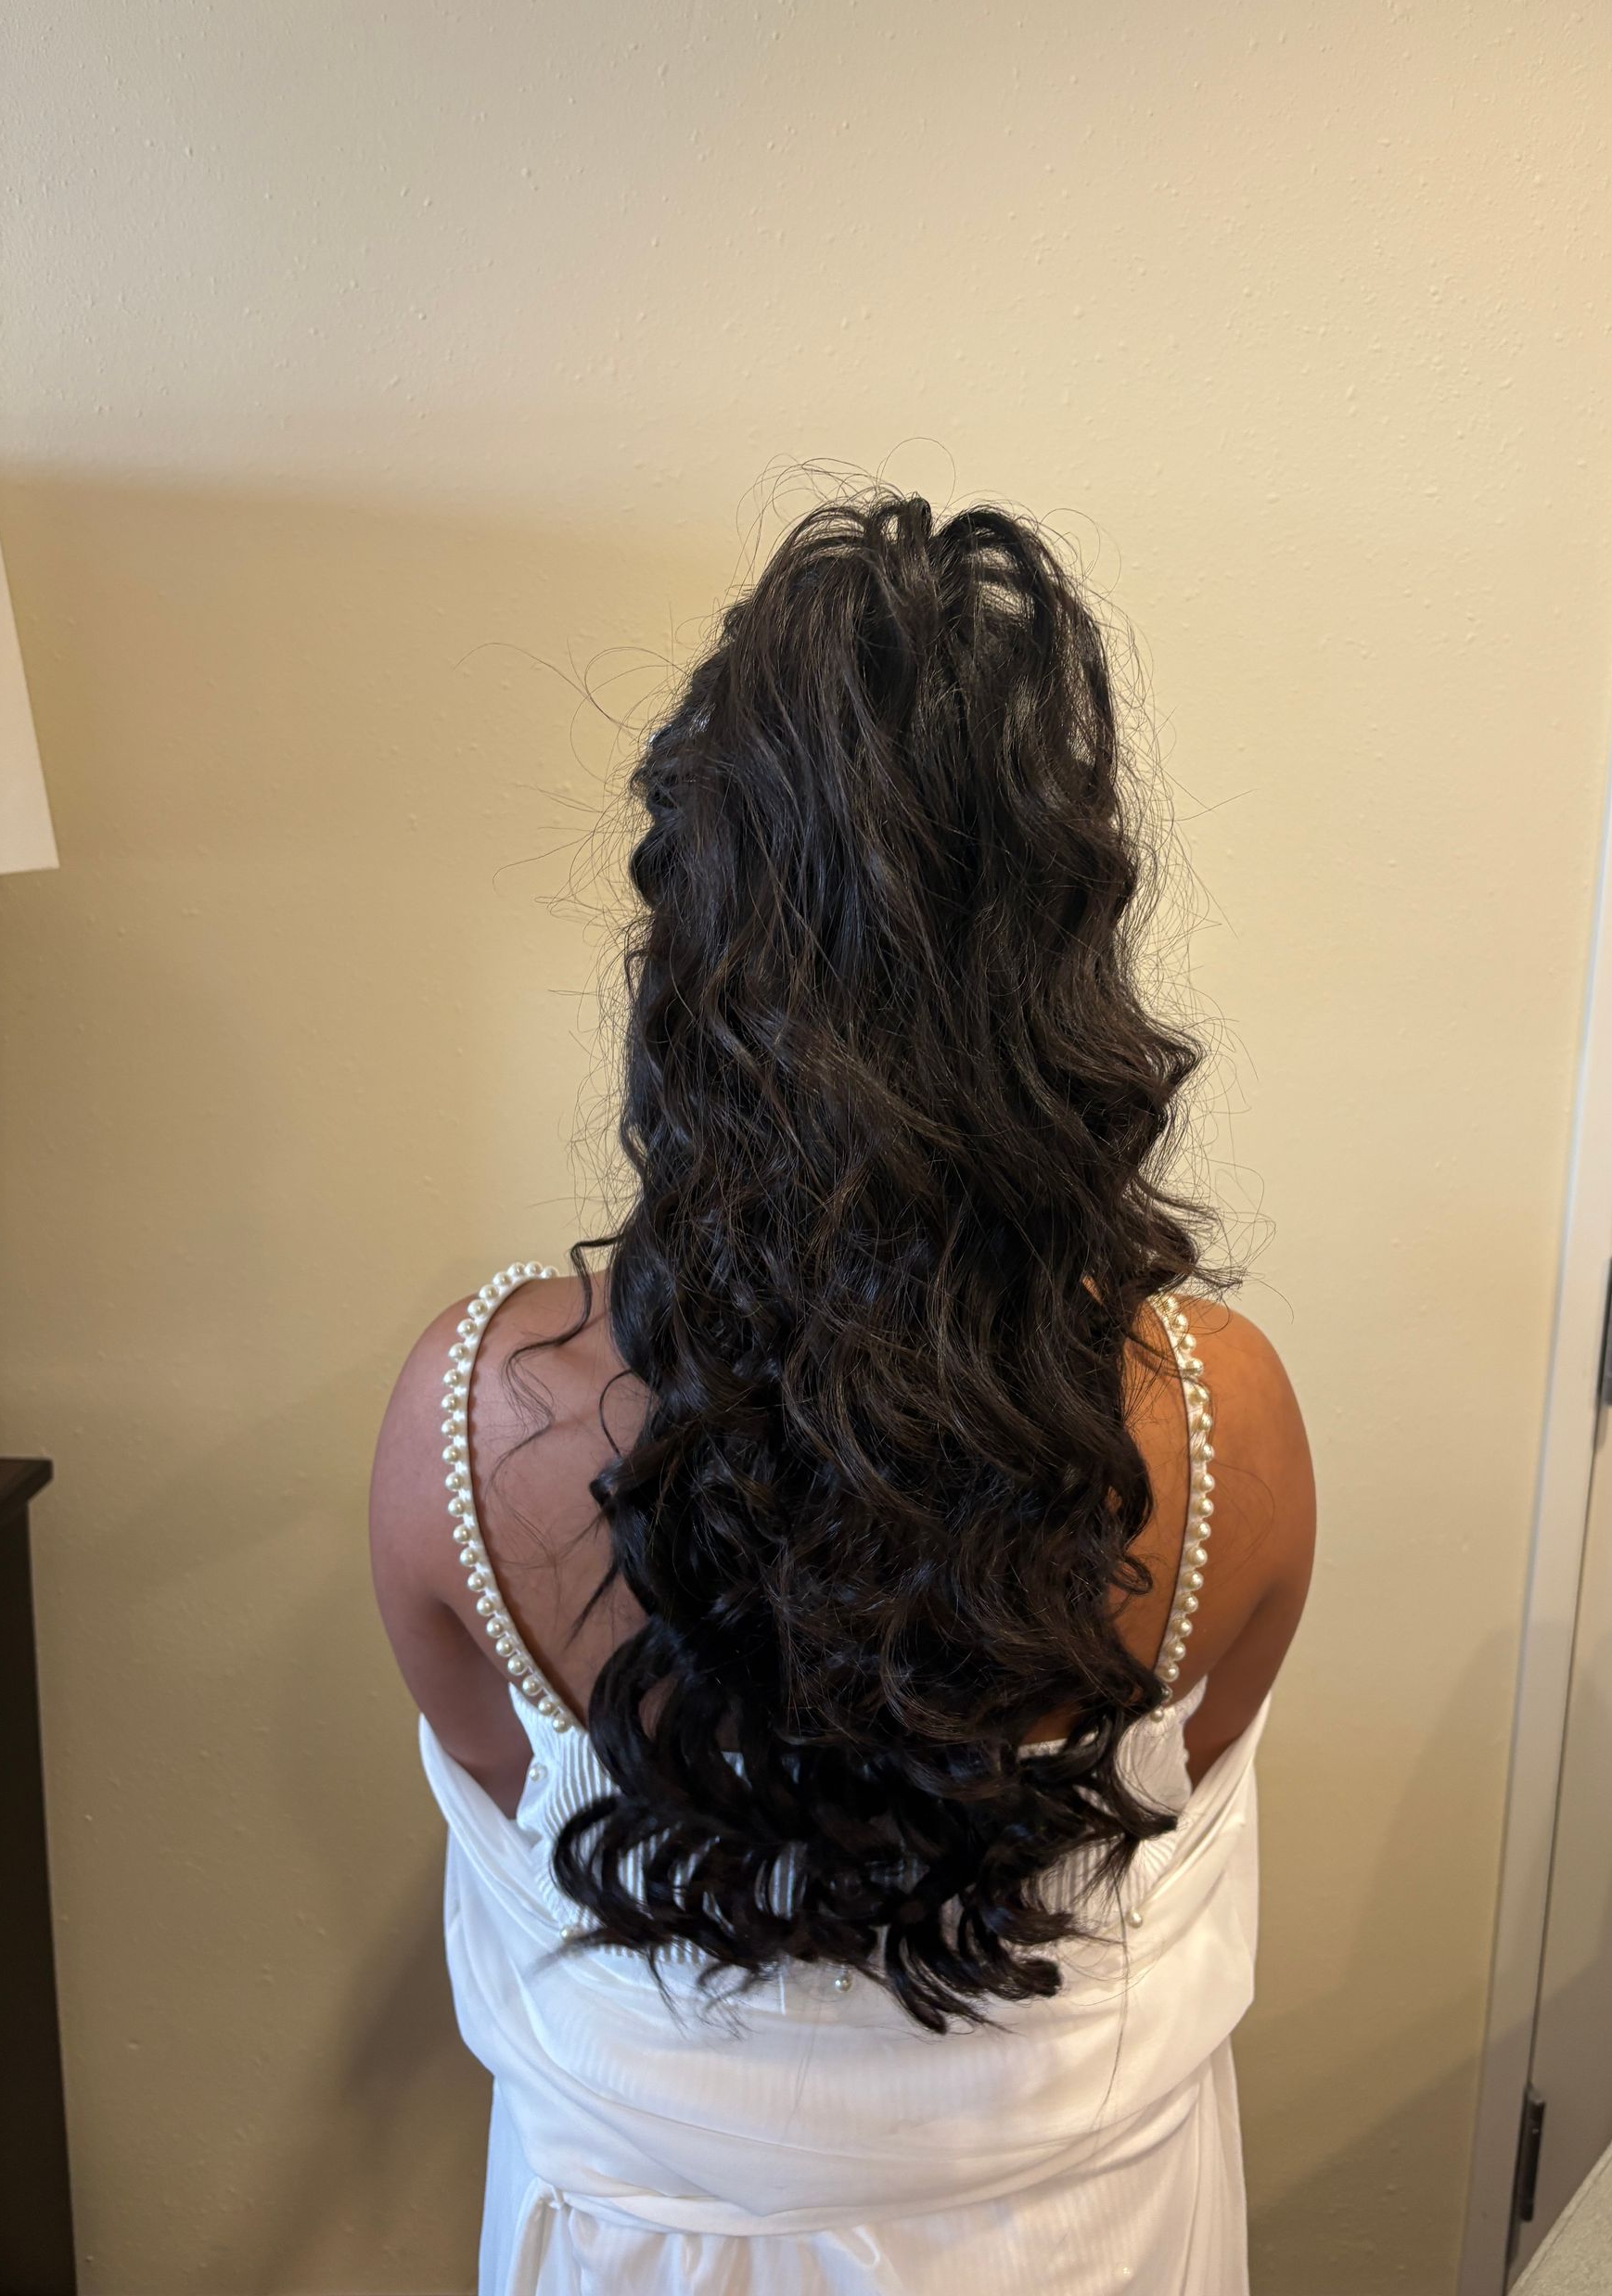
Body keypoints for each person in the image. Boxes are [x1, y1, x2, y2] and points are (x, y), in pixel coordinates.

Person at [369, 492, 1316, 2294]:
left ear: (688, 940)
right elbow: (1182, 1777)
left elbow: (514, 1804)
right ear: (1063, 954)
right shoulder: (1222, 1420)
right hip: (1081, 2240)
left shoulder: (477, 1419)